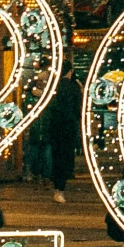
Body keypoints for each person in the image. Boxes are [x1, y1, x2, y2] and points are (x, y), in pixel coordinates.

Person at [46, 69, 82, 205]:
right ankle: (61, 187)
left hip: (55, 127)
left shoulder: (53, 85)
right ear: (71, 71)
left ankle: (57, 185)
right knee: (66, 156)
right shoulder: (74, 86)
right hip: (69, 127)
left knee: (56, 156)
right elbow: (78, 107)